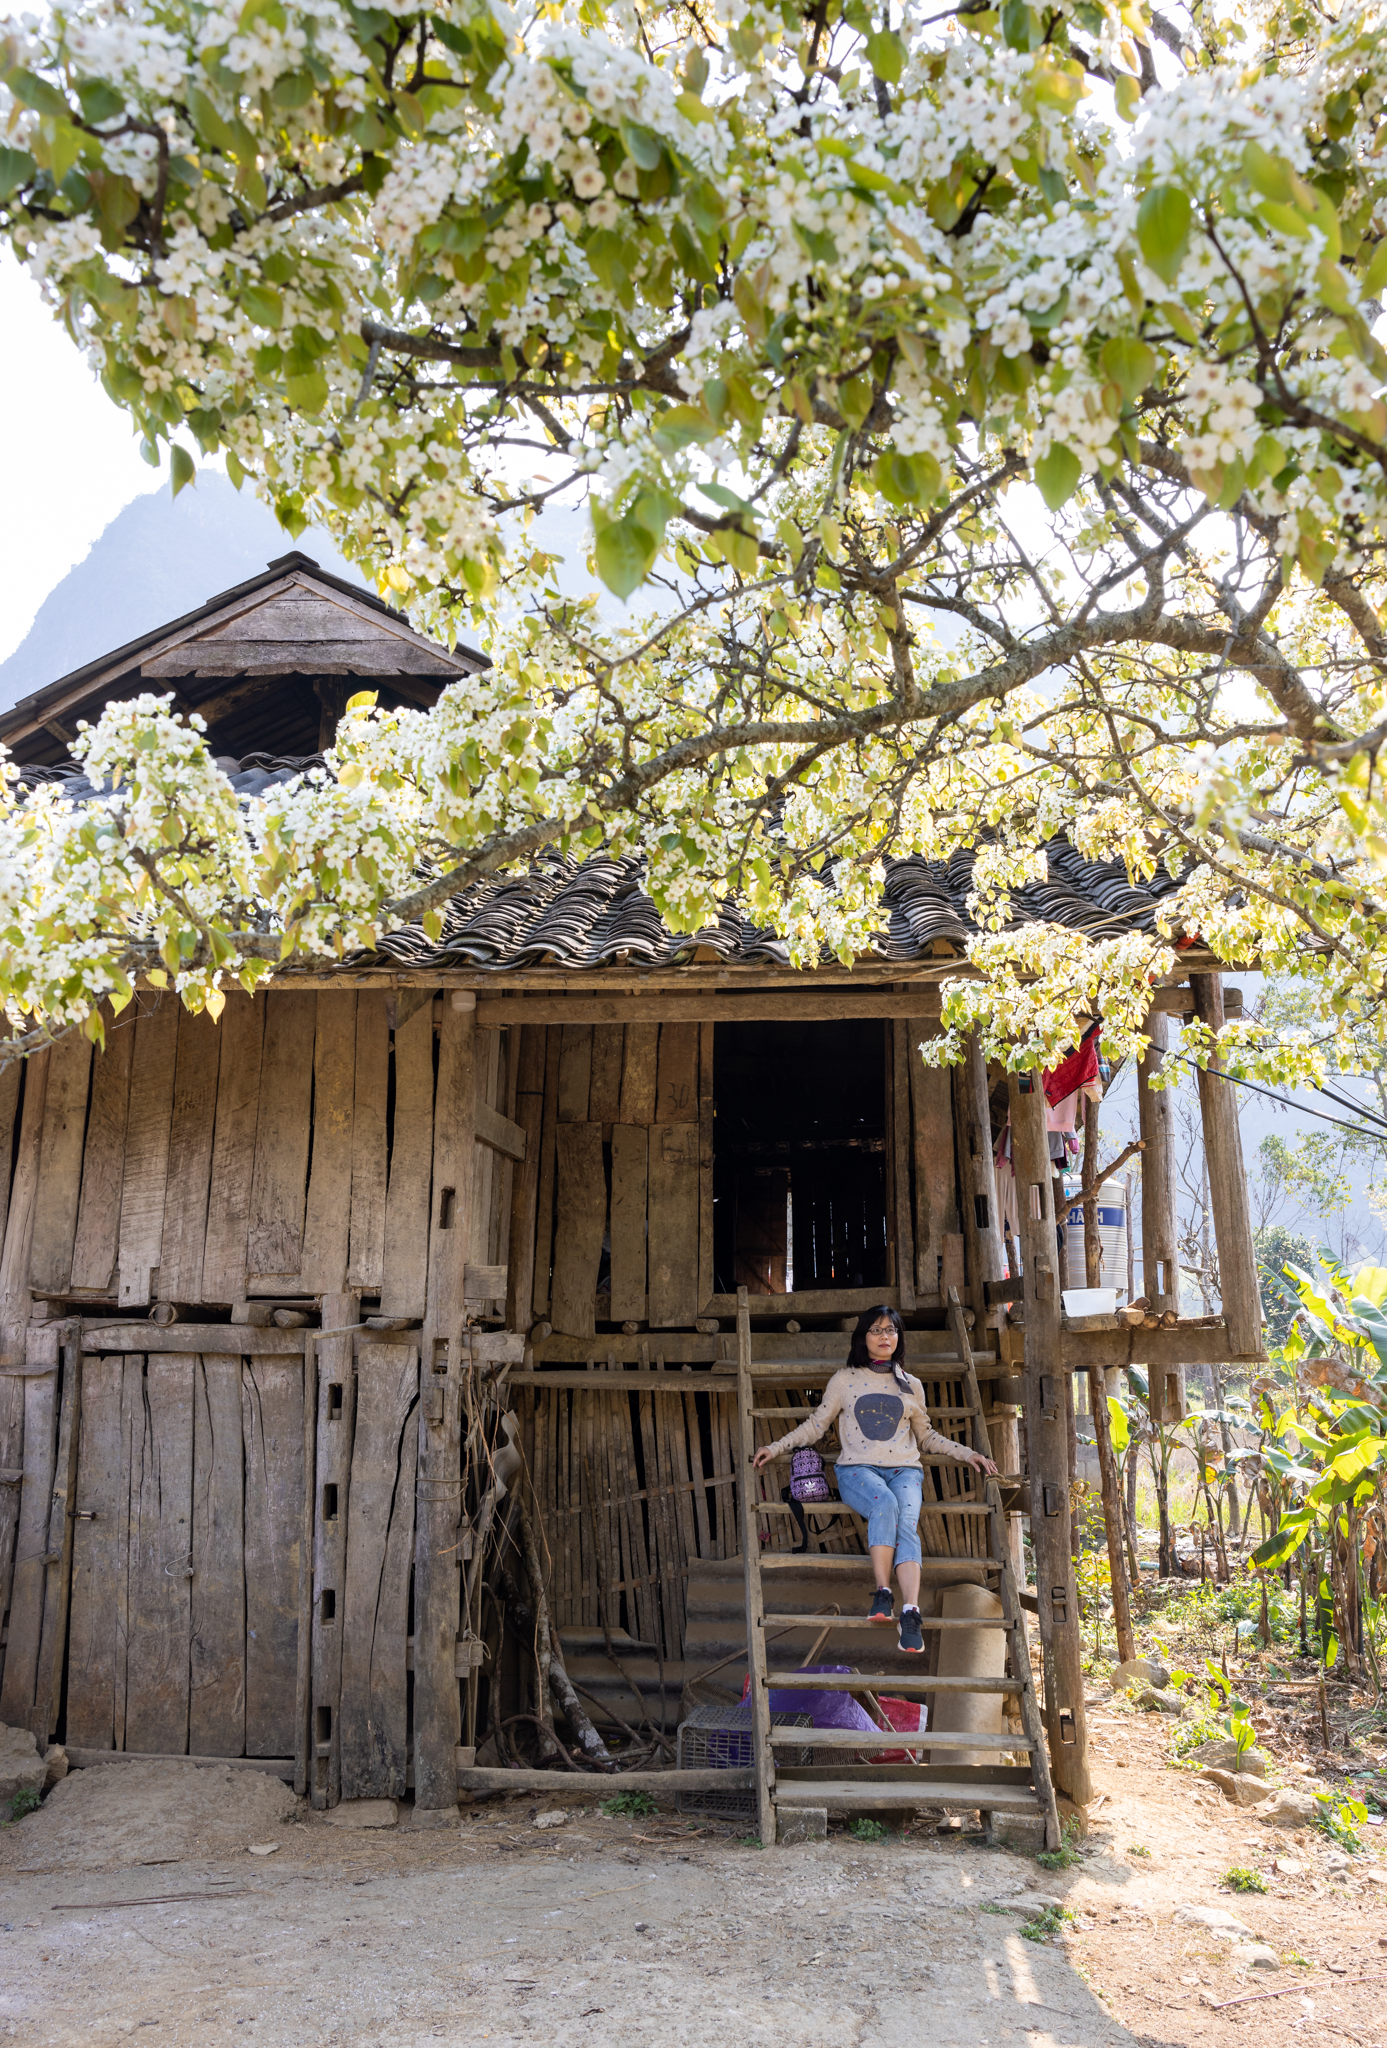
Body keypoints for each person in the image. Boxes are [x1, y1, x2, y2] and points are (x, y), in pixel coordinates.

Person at [752, 1304, 996, 1654]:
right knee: (886, 1504)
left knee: (907, 1522)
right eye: (877, 1330)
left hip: (905, 1469)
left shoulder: (911, 1384)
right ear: (862, 1337)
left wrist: (968, 1453)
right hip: (857, 1470)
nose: (885, 1337)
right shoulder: (845, 1380)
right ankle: (883, 1593)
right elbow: (816, 1425)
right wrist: (776, 1448)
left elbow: (926, 1437)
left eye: (892, 1330)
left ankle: (910, 1613)